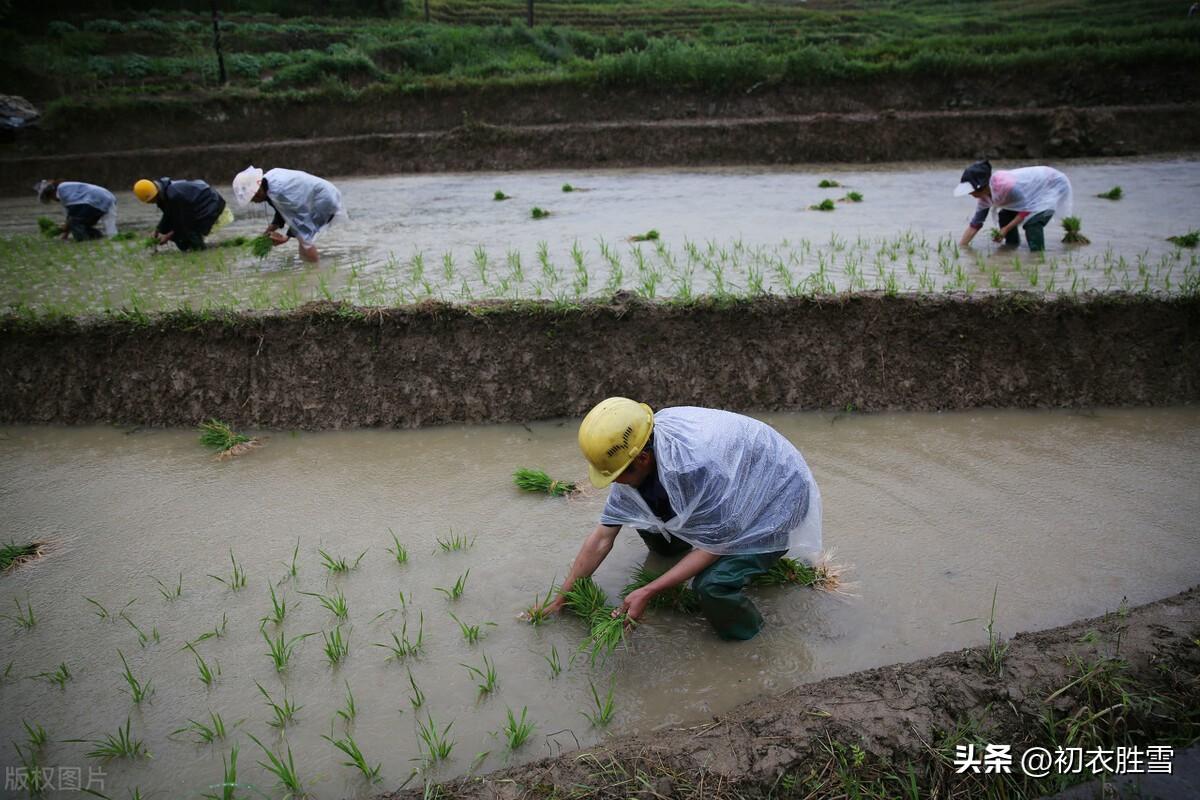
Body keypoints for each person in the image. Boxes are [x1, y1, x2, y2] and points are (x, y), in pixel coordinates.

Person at [538, 397, 822, 641]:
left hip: (777, 500)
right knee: (647, 521)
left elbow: (713, 546)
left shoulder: (693, 469)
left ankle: (748, 636)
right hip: (731, 486)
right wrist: (563, 596)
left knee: (712, 587)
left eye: (618, 473)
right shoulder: (639, 458)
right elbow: (602, 538)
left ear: (643, 459)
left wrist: (648, 591)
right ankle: (676, 555)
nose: (616, 483)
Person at [231, 166, 345, 263]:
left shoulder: (278, 191)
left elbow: (300, 215)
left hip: (323, 199)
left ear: (257, 191)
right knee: (303, 239)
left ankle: (316, 271)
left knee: (305, 239)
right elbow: (281, 211)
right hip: (322, 193)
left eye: (252, 198)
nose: (253, 202)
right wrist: (270, 230)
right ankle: (308, 266)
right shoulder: (270, 180)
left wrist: (286, 237)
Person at [955, 160, 1073, 252]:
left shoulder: (1007, 186)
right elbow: (975, 224)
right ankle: (1011, 248)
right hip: (1029, 193)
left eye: (972, 191)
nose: (970, 194)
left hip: (1051, 184)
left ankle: (1037, 256)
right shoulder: (984, 198)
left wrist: (1005, 230)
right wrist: (961, 247)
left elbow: (1026, 210)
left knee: (1032, 223)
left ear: (984, 186)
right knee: (1004, 216)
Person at [134, 177, 231, 252]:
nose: (152, 203)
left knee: (190, 233)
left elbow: (185, 222)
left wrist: (168, 236)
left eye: (152, 200)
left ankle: (201, 251)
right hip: (194, 207)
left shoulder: (175, 196)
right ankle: (194, 249)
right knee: (181, 239)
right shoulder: (162, 195)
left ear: (155, 194)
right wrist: (158, 230)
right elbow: (169, 215)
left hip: (209, 203)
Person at [35, 179, 117, 241]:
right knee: (80, 224)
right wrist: (65, 236)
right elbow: (70, 216)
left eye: (50, 198)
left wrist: (64, 228)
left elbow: (73, 217)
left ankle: (84, 240)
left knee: (75, 223)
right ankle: (97, 236)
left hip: (97, 199)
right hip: (104, 198)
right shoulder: (65, 196)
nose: (53, 200)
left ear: (51, 193)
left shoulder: (63, 189)